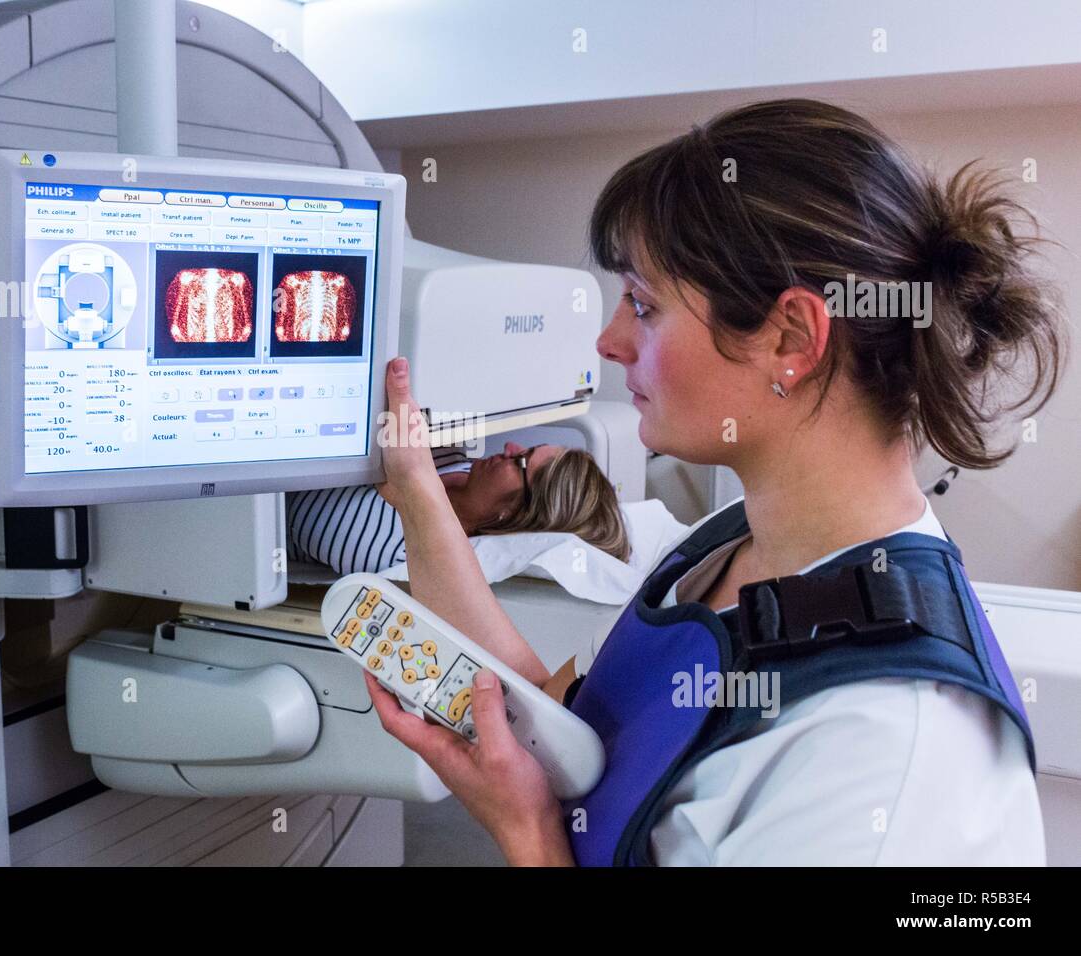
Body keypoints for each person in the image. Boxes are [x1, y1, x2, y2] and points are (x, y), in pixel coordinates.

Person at [364, 99, 1065, 866]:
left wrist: (526, 833)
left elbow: (546, 803)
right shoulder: (720, 547)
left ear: (792, 340)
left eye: (644, 304)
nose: (609, 340)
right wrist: (420, 496)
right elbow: (557, 722)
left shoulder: (888, 750)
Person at [286, 443, 629, 575]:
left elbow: (298, 509)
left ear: (514, 516)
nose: (510, 445)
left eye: (520, 462)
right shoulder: (460, 461)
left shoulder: (398, 551)